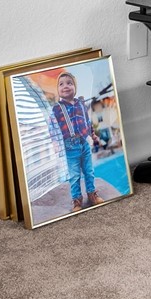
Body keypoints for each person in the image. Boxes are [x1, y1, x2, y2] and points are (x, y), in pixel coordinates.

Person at [47, 71, 97, 210]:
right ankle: (77, 200)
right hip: (70, 146)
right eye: (61, 84)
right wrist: (55, 143)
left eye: (69, 83)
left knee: (89, 171)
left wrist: (92, 135)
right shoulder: (56, 108)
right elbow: (52, 127)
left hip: (84, 143)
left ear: (75, 87)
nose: (66, 86)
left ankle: (92, 194)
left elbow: (87, 122)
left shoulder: (81, 103)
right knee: (74, 175)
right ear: (58, 90)